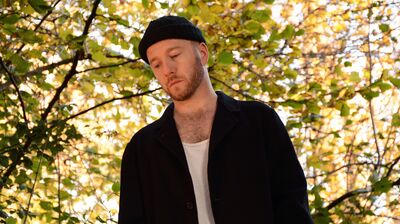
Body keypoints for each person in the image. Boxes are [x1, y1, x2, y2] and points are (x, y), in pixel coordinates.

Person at [118, 15, 313, 224]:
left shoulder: (259, 121)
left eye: (174, 55)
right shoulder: (141, 148)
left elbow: (293, 206)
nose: (168, 70)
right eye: (156, 65)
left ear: (202, 54)